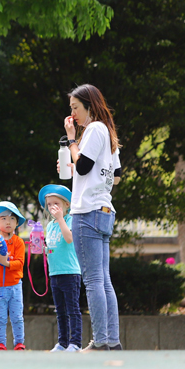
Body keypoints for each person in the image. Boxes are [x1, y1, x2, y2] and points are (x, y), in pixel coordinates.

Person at [63, 84, 123, 351]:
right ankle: (111, 341)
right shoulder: (107, 133)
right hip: (104, 211)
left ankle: (100, 342)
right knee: (104, 280)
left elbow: (85, 166)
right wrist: (73, 163)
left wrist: (72, 141)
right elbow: (116, 175)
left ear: (89, 105)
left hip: (86, 212)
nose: (73, 113)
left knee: (94, 281)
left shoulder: (94, 130)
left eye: (76, 107)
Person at [40, 184, 81, 352]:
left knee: (73, 310)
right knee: (60, 311)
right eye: (49, 204)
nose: (52, 208)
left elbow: (69, 238)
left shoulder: (71, 220)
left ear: (67, 205)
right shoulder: (50, 226)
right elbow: (53, 247)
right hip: (54, 273)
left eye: (56, 204)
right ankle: (62, 343)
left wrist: (61, 219)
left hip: (70, 272)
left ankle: (75, 342)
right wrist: (43, 249)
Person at [0, 201, 27, 350]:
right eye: (3, 218)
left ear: (17, 223)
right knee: (0, 317)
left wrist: (6, 262)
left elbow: (20, 263)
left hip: (15, 285)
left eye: (11, 219)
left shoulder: (18, 242)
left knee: (17, 317)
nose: (8, 222)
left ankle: (19, 343)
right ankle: (1, 344)